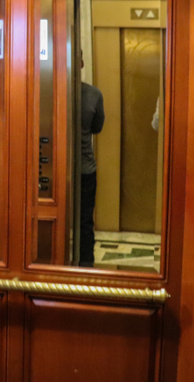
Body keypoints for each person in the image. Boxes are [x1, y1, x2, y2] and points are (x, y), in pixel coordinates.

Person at [79, 65, 105, 267]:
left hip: (59, 172)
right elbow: (97, 127)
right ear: (81, 64)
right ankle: (86, 270)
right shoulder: (94, 94)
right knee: (85, 221)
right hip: (86, 169)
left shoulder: (50, 92)